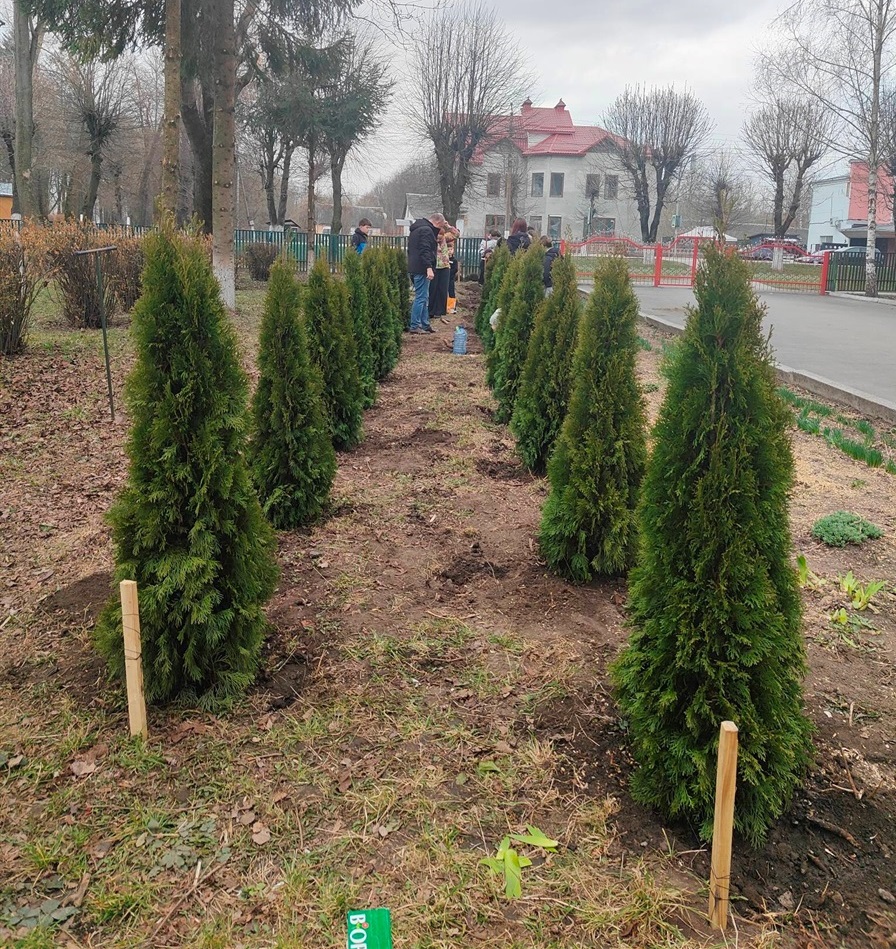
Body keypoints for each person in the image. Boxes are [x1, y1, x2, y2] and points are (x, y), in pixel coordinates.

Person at [407, 212, 446, 333]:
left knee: (425, 297)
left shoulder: (417, 229)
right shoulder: (426, 230)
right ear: (438, 223)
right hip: (421, 269)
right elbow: (425, 250)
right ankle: (415, 325)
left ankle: (425, 324)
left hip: (416, 267)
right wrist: (428, 267)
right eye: (440, 227)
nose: (439, 230)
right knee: (421, 297)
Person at [429, 223, 457, 323]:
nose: (439, 238)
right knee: (433, 289)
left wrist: (448, 226)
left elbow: (456, 234)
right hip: (434, 266)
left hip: (445, 266)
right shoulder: (431, 240)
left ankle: (440, 310)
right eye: (438, 236)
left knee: (442, 289)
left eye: (441, 236)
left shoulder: (446, 239)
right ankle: (431, 310)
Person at [446, 233, 459, 315]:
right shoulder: (444, 259)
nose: (449, 251)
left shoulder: (454, 260)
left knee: (451, 292)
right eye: (448, 249)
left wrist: (450, 273)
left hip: (450, 279)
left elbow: (455, 269)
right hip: (444, 278)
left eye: (451, 249)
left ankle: (451, 307)